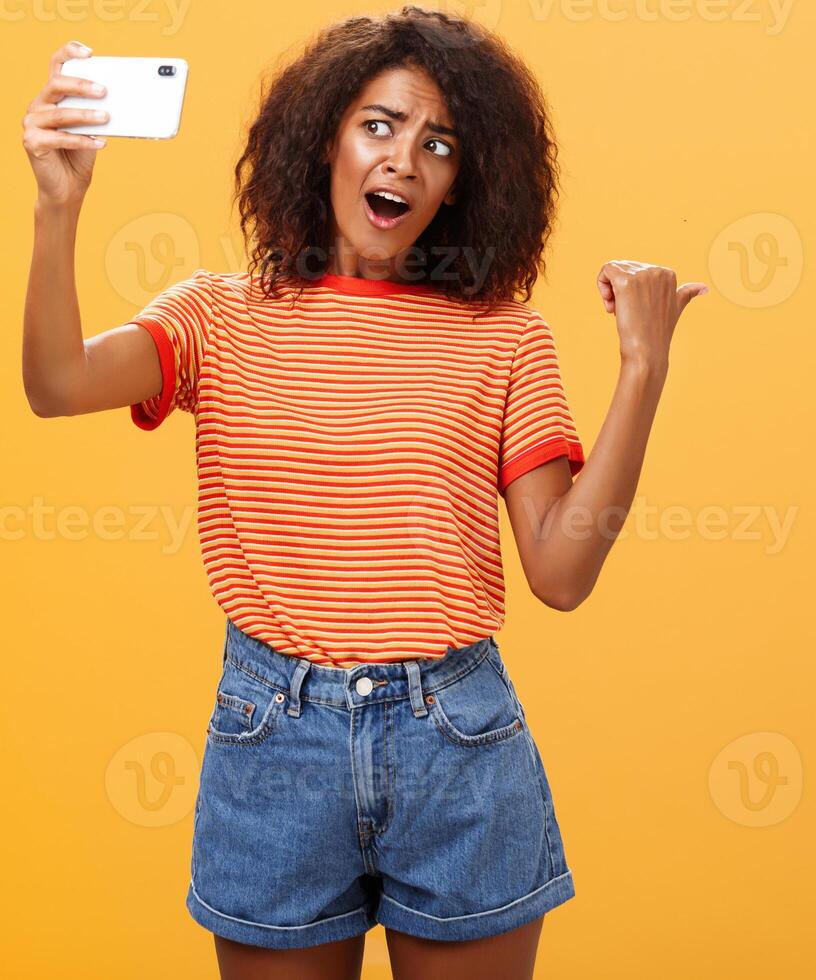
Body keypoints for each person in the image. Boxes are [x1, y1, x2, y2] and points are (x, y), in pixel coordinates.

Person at [19, 8, 705, 977]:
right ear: (321, 138)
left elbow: (560, 572)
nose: (405, 161)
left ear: (466, 182)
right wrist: (58, 208)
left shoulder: (502, 337)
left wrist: (644, 366)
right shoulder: (219, 314)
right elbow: (56, 386)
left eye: (439, 144)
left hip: (457, 742)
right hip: (273, 738)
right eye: (378, 126)